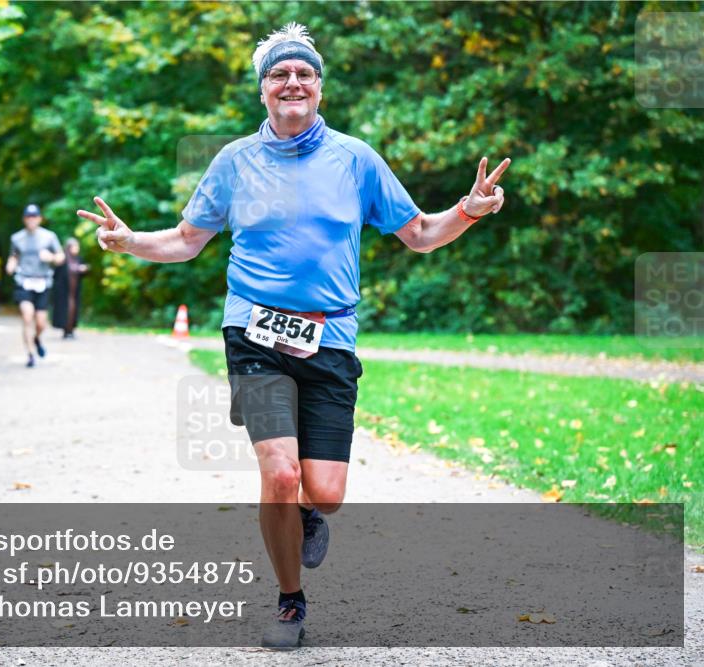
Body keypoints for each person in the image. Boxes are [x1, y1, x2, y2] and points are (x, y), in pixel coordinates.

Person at [77, 22, 510, 649]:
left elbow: (418, 233)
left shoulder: (356, 159)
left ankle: (307, 516)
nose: (292, 82)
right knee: (278, 474)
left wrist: (467, 209)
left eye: (304, 73)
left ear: (320, 89)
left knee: (325, 495)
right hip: (252, 333)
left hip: (330, 339)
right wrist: (130, 241)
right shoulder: (233, 162)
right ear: (263, 91)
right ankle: (288, 601)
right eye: (279, 74)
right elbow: (186, 240)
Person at [6, 203, 65, 367]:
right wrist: (10, 264)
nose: (31, 220)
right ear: (24, 219)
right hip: (23, 281)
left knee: (41, 323)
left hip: (43, 282)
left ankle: (37, 338)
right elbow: (14, 256)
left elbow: (61, 257)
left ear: (39, 218)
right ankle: (30, 354)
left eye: (34, 217)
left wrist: (52, 258)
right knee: (27, 316)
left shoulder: (49, 237)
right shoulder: (16, 238)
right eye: (28, 217)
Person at [52, 238, 89, 339]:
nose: (77, 249)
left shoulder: (79, 259)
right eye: (74, 246)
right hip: (64, 292)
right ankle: (65, 330)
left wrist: (84, 269)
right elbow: (55, 275)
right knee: (65, 310)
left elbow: (85, 272)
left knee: (73, 310)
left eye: (77, 246)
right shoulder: (62, 260)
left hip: (74, 291)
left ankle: (71, 330)